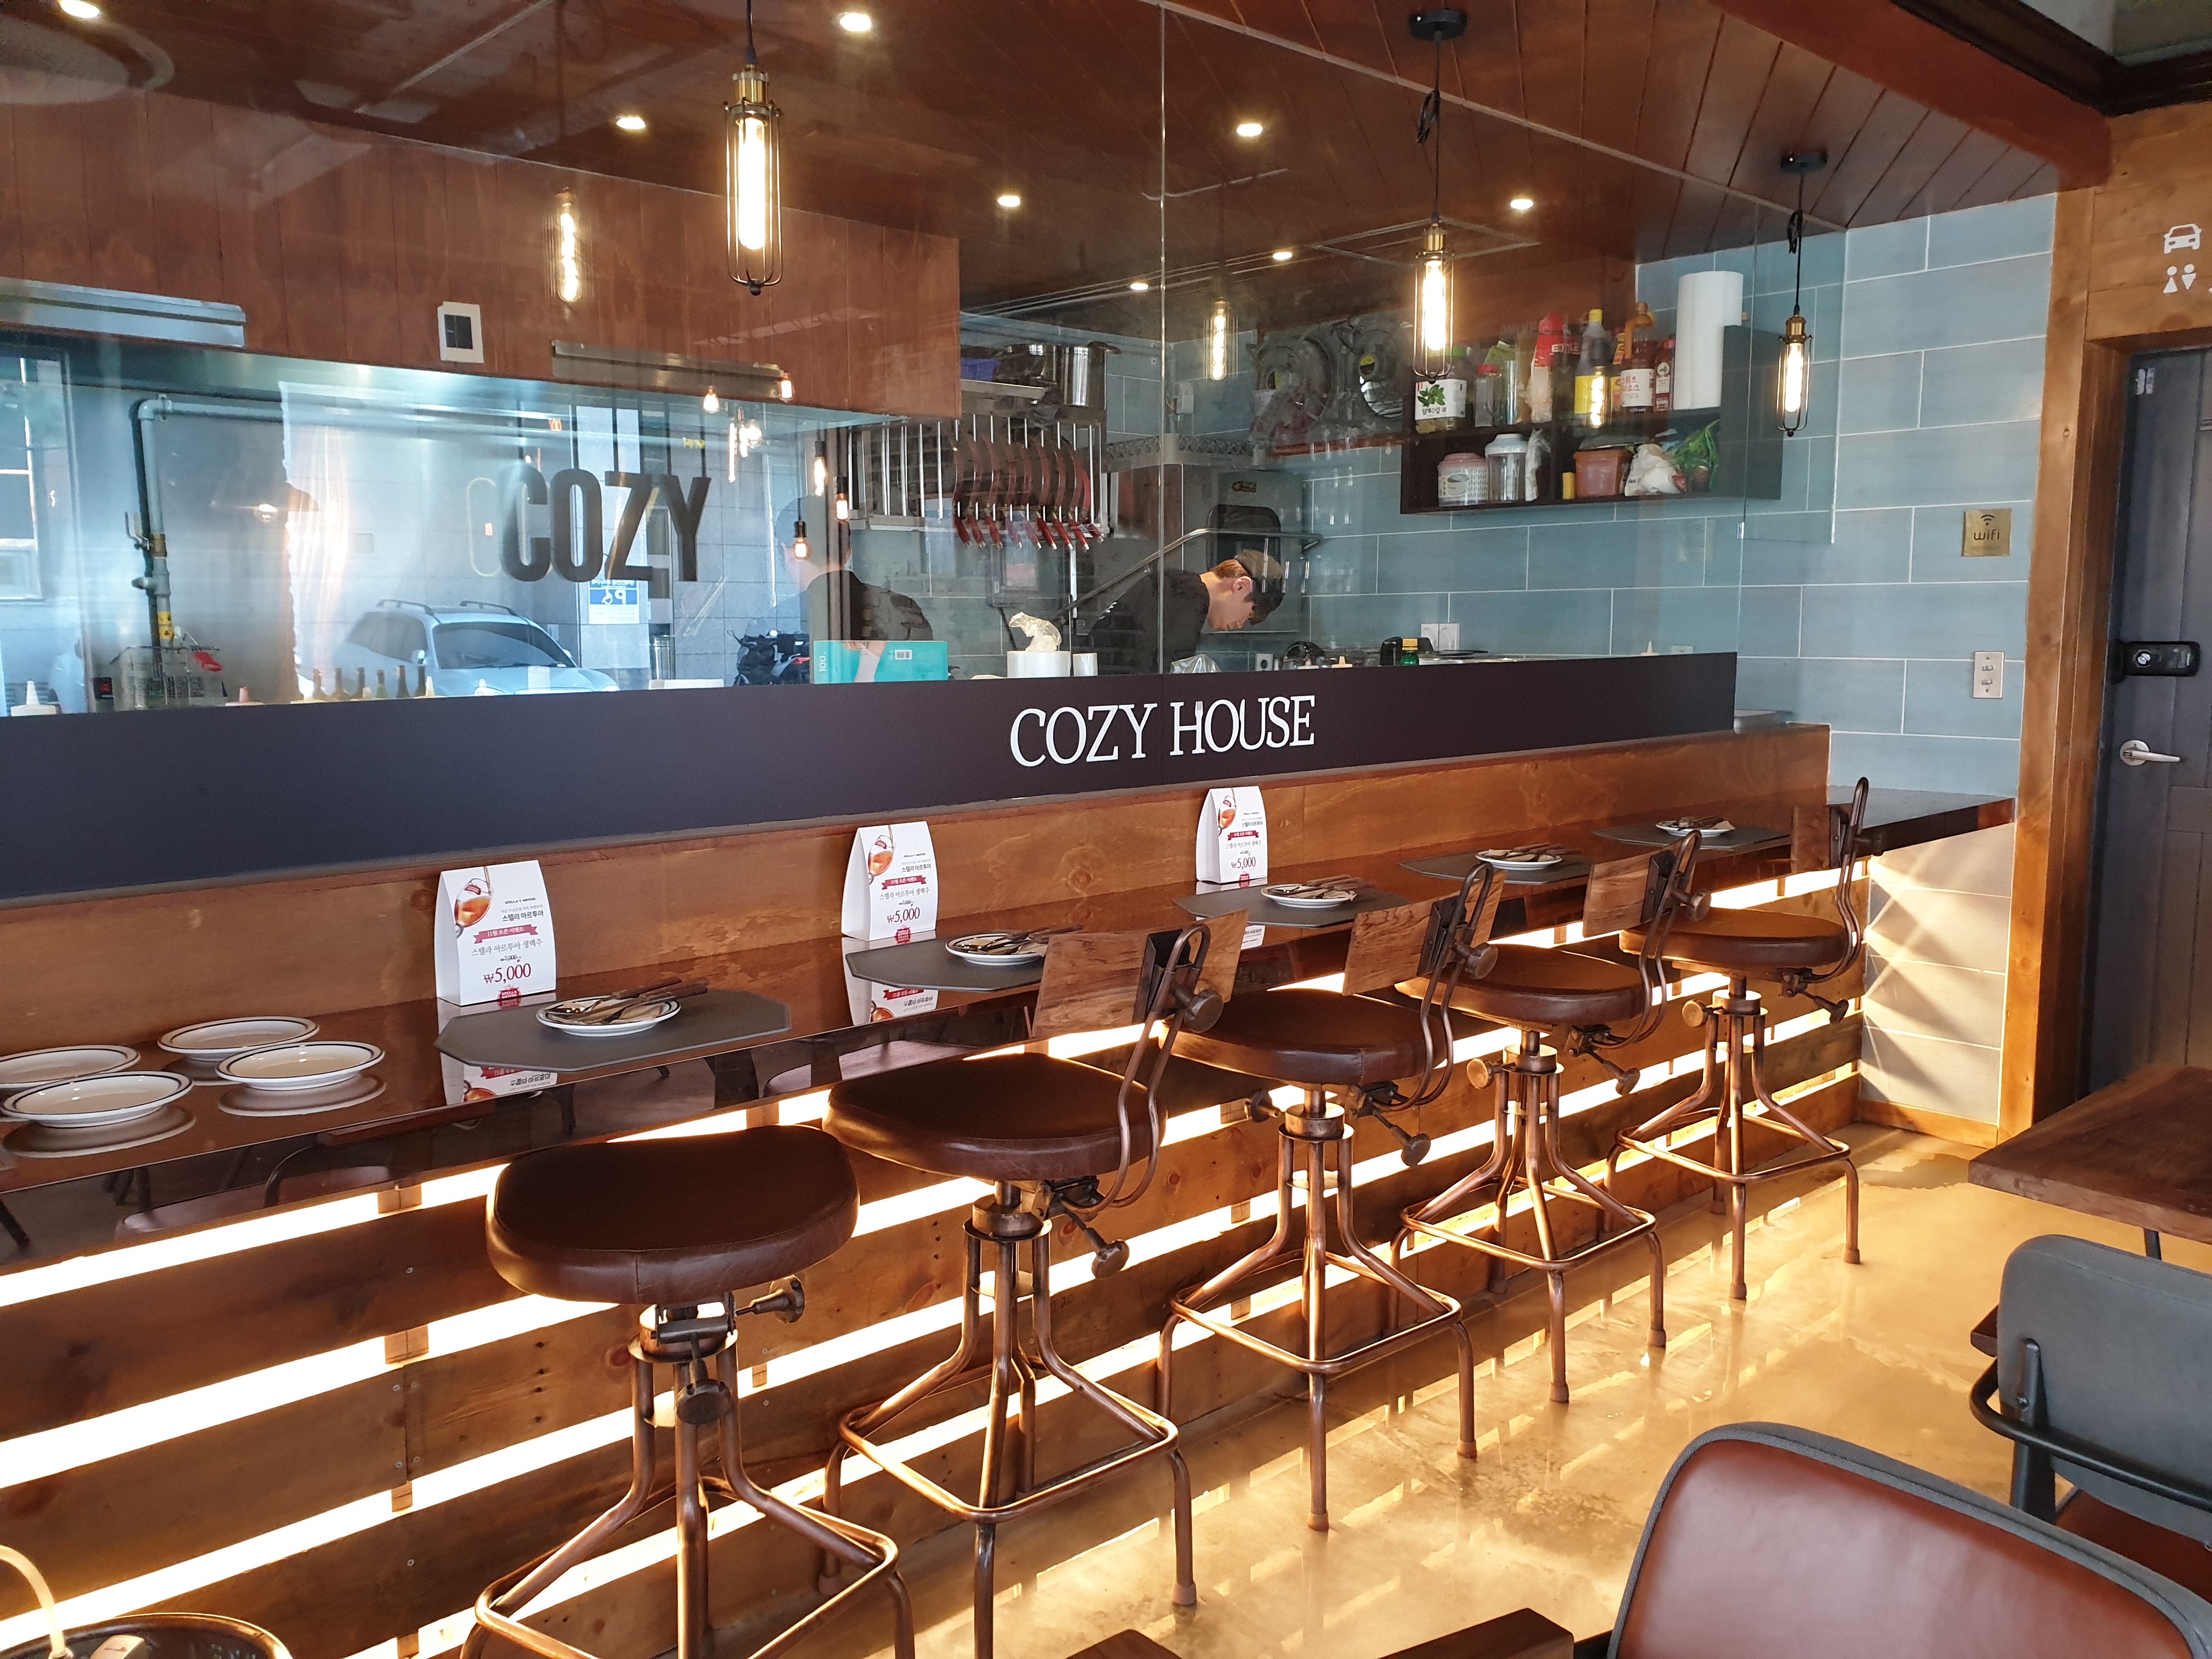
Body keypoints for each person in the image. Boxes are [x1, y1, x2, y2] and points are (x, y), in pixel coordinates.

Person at [1091, 552, 1283, 675]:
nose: (1240, 625)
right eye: (1249, 614)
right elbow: (1159, 688)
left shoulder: (1173, 582)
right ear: (1241, 586)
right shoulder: (1185, 606)